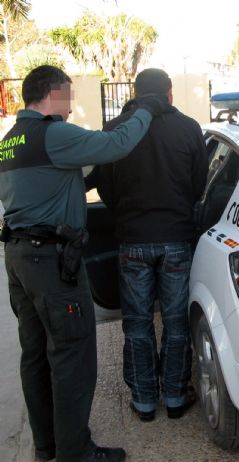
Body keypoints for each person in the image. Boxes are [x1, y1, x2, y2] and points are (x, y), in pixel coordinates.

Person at [0, 65, 165, 462]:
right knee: (72, 357)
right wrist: (145, 109)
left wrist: (79, 184)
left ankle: (47, 447)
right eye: (69, 98)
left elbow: (47, 186)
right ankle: (77, 454)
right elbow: (116, 144)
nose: (71, 108)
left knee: (36, 356)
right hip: (52, 262)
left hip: (19, 259)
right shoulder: (53, 133)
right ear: (53, 93)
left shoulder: (10, 140)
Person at [93, 68, 207, 422]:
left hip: (132, 240)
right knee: (175, 323)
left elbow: (105, 188)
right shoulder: (189, 128)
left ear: (136, 92)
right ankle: (174, 396)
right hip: (176, 238)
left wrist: (126, 214)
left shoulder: (114, 130)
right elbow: (199, 185)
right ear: (169, 93)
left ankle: (144, 400)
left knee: (137, 323)